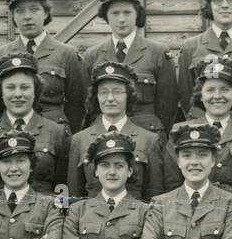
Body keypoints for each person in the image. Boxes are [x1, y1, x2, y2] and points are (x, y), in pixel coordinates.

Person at [79, 0, 175, 138]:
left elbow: (168, 105)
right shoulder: (92, 55)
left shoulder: (158, 52)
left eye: (127, 12)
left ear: (137, 15)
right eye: (115, 13)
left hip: (147, 135)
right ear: (106, 17)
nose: (121, 19)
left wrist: (157, 136)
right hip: (105, 136)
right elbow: (88, 104)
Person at [0, 0, 86, 130]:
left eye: (34, 9)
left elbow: (77, 105)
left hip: (55, 135)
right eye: (19, 11)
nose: (27, 16)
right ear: (12, 16)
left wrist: (64, 135)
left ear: (46, 13)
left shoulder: (67, 54)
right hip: (13, 134)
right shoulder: (0, 55)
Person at [164, 56, 232, 204]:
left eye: (225, 90)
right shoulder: (181, 131)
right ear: (200, 94)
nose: (217, 96)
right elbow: (171, 185)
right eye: (210, 90)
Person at [0, 52, 71, 195]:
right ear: (0, 92)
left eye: (25, 87)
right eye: (10, 87)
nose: (18, 94)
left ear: (36, 91)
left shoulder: (57, 132)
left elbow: (63, 188)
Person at [67, 62, 165, 200]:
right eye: (103, 92)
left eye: (117, 92)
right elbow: (73, 196)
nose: (110, 99)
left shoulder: (149, 140)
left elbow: (155, 197)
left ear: (129, 95)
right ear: (96, 97)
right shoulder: (79, 140)